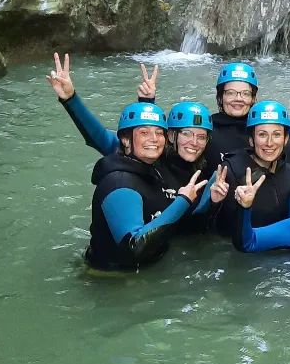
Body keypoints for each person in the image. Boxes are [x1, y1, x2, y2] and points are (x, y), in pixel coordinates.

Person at [48, 54, 217, 222]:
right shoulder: (155, 159)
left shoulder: (204, 166)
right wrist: (71, 99)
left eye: (201, 136)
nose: (194, 142)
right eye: (186, 133)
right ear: (172, 136)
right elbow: (102, 138)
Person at [85, 103, 209, 270]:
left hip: (149, 271)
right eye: (144, 133)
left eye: (159, 133)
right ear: (126, 139)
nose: (154, 139)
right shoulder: (120, 184)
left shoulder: (152, 171)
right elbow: (134, 248)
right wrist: (183, 200)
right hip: (115, 281)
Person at [213, 100, 290, 236]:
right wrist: (215, 203)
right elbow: (207, 229)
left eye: (277, 134)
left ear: (286, 139)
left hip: (277, 249)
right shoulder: (229, 171)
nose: (270, 143)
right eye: (262, 134)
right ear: (251, 140)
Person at [202, 61, 259, 171]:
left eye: (245, 93)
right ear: (220, 97)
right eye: (231, 93)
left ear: (253, 98)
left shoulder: (262, 129)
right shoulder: (206, 128)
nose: (238, 99)